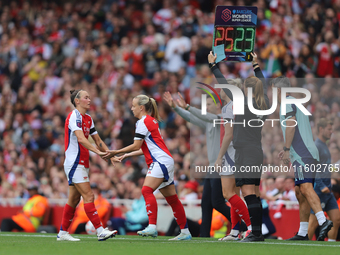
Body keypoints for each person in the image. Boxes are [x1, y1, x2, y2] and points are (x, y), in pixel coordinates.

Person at [103, 95, 192, 241]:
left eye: (133, 106)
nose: (131, 108)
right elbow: (145, 148)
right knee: (173, 199)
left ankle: (152, 226)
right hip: (165, 160)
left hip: (160, 161)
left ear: (141, 107)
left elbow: (137, 145)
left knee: (146, 190)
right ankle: (185, 231)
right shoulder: (150, 121)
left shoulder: (142, 122)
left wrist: (116, 152)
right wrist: (126, 156)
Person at [210, 52, 268, 242]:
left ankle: (255, 232)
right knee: (254, 194)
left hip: (245, 151)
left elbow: (225, 86)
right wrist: (256, 66)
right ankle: (256, 232)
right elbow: (263, 85)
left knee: (248, 193)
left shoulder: (244, 103)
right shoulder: (264, 103)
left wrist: (213, 66)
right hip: (257, 151)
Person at [163, 90, 233, 238]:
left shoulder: (220, 119)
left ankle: (243, 225)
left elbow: (202, 115)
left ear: (218, 106)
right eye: (205, 104)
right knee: (206, 204)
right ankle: (204, 236)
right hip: (212, 167)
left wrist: (188, 107)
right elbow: (191, 118)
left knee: (218, 203)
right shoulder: (209, 122)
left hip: (222, 166)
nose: (206, 107)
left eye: (209, 104)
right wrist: (176, 108)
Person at [272, 76, 333, 241]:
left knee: (305, 188)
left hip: (302, 153)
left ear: (278, 90)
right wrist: (287, 149)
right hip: (306, 152)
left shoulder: (286, 102)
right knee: (300, 192)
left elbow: (291, 124)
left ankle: (323, 220)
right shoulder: (295, 102)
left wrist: (286, 149)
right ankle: (302, 232)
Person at [57, 89, 118, 242]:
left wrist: (110, 155)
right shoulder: (73, 116)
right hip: (74, 162)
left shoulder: (88, 118)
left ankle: (62, 233)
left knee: (73, 200)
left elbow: (98, 140)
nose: (89, 100)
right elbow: (81, 139)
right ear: (77, 101)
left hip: (83, 163)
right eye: (86, 97)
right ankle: (100, 231)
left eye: (90, 97)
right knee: (89, 195)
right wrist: (99, 153)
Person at [308, 119, 340, 241]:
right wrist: (321, 186)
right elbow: (313, 169)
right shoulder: (317, 146)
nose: (331, 132)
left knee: (336, 219)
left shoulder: (324, 146)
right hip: (319, 190)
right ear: (321, 129)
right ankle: (302, 247)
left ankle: (330, 246)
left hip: (328, 191)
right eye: (329, 129)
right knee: (313, 222)